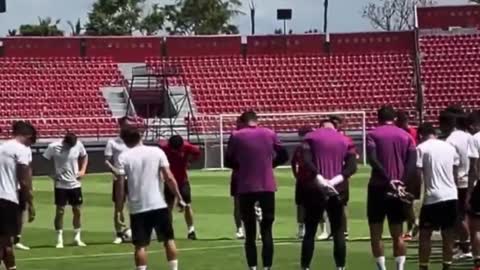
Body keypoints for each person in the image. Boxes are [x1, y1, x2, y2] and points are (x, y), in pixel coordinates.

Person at [114, 126, 185, 270]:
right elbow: (169, 177)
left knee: (140, 246)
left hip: (138, 208)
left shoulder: (123, 157)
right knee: (168, 240)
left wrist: (119, 208)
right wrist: (179, 197)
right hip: (158, 204)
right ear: (141, 137)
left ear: (125, 140)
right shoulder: (157, 151)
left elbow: (120, 185)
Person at [225, 110, 288, 270]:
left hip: (246, 186)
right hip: (267, 185)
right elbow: (284, 154)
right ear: (256, 120)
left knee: (250, 232)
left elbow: (228, 161)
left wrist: (243, 166)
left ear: (243, 121)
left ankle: (252, 267)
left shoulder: (236, 136)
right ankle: (267, 267)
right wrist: (270, 164)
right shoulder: (269, 133)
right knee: (267, 230)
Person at [299, 119, 357, 270]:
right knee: (338, 231)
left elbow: (306, 161)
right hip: (338, 189)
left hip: (314, 188)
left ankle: (305, 267)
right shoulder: (345, 139)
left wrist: (320, 178)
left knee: (310, 231)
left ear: (320, 126)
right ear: (335, 127)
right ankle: (340, 267)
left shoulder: (310, 137)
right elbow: (352, 167)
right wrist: (334, 181)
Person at [366, 105, 417, 270]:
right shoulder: (406, 136)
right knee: (398, 233)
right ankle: (399, 268)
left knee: (376, 233)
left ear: (378, 119)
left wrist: (388, 180)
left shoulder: (372, 135)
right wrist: (401, 181)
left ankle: (381, 268)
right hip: (398, 189)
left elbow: (373, 160)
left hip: (378, 187)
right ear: (395, 119)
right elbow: (411, 163)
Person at [416, 123, 460, 270]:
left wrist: (415, 201)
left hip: (432, 197)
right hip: (451, 195)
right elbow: (455, 172)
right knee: (448, 234)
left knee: (425, 235)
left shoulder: (421, 148)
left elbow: (418, 176)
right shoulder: (450, 147)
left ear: (421, 135)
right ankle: (446, 266)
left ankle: (424, 267)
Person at [441, 110, 478, 259]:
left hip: (459, 181)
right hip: (473, 181)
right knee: (469, 216)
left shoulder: (451, 140)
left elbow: (452, 164)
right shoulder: (471, 137)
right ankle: (466, 245)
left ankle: (466, 246)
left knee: (459, 216)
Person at [0, 121, 36, 270]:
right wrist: (31, 203)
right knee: (5, 241)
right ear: (28, 136)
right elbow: (24, 180)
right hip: (7, 198)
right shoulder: (21, 150)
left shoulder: (2, 147)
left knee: (5, 242)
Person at [43, 132, 88, 248]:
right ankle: (59, 239)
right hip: (60, 185)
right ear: (65, 141)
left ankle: (77, 237)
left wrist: (83, 170)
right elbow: (44, 159)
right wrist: (51, 174)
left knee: (77, 210)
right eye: (69, 145)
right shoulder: (53, 147)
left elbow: (84, 156)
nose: (71, 147)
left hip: (75, 184)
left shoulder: (78, 145)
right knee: (60, 211)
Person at [159, 135, 201, 240]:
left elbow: (197, 152)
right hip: (169, 181)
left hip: (183, 181)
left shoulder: (187, 146)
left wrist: (190, 161)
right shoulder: (163, 148)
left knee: (187, 205)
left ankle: (191, 230)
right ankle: (168, 231)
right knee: (168, 206)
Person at [105, 116, 134, 244]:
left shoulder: (134, 142)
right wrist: (114, 169)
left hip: (133, 176)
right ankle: (119, 233)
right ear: (121, 126)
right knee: (119, 206)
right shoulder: (112, 142)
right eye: (127, 125)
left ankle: (136, 230)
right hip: (120, 176)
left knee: (135, 205)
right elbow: (106, 160)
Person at [395, 110, 420, 240]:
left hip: (409, 171)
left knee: (407, 201)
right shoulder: (400, 133)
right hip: (405, 170)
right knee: (405, 202)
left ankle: (413, 226)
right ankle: (410, 229)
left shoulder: (412, 133)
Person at [291, 126, 317, 240]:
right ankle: (302, 228)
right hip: (303, 180)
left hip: (313, 180)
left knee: (315, 204)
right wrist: (296, 175)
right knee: (301, 204)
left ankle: (321, 228)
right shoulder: (299, 148)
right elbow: (293, 162)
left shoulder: (315, 147)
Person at [467, 110, 480, 270]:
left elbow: (473, 168)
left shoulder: (476, 138)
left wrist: (470, 192)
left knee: (476, 228)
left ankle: (478, 263)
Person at [231, 117, 245, 239]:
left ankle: (261, 230)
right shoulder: (234, 137)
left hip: (252, 174)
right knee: (237, 203)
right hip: (238, 174)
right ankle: (239, 229)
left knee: (256, 204)